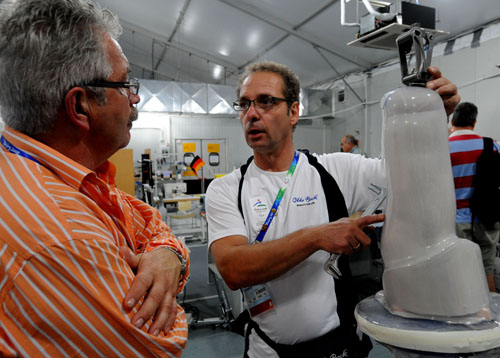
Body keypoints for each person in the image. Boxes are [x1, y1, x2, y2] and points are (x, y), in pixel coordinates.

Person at [205, 60, 459, 357]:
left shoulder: (334, 170)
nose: (252, 114)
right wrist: (316, 237)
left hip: (337, 348)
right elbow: (234, 269)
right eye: (244, 104)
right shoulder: (226, 189)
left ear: (294, 112)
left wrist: (429, 121)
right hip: (267, 350)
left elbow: (408, 180)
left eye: (266, 102)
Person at [0, 0, 189, 356]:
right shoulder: (63, 234)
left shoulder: (50, 172)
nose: (134, 99)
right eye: (124, 84)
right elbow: (160, 342)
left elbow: (146, 220)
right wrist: (167, 272)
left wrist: (168, 254)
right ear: (81, 106)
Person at [449, 102, 500, 292]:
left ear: (453, 120)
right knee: (488, 267)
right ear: (475, 122)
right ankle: (492, 316)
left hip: (455, 221)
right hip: (487, 217)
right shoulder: (493, 146)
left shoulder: (443, 148)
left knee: (460, 272)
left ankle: (464, 314)